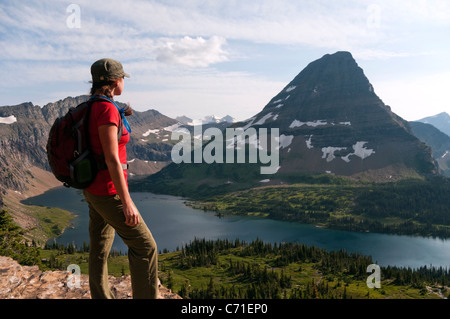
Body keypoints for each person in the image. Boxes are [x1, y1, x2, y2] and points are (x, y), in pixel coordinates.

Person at [82, 58, 158, 299]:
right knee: (145, 248)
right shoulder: (105, 109)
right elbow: (112, 159)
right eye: (123, 78)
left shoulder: (92, 105)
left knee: (100, 248)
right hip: (107, 190)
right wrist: (126, 202)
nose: (124, 81)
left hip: (93, 188)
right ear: (116, 81)